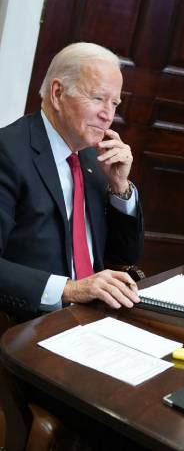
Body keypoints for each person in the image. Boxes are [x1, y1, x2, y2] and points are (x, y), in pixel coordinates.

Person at [0, 42, 143, 319]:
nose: (108, 115)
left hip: (96, 316)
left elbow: (126, 256)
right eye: (98, 98)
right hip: (30, 323)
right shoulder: (7, 153)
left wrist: (120, 189)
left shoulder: (93, 158)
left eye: (114, 103)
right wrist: (70, 290)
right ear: (57, 93)